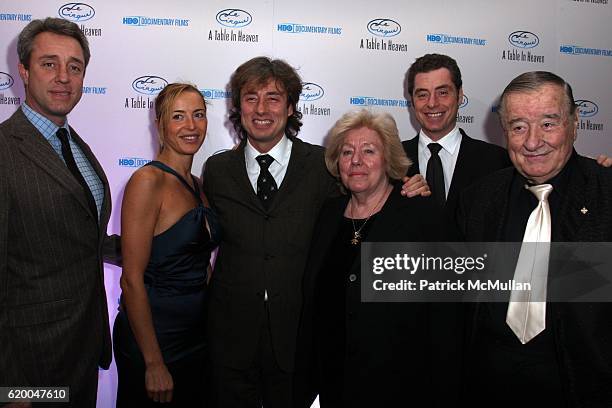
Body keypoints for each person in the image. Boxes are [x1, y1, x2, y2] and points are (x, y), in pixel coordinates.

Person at [202, 57, 428, 407]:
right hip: (230, 342)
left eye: (274, 98)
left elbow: (368, 188)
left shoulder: (324, 166)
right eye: (250, 97)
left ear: (291, 107)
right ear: (238, 107)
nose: (261, 108)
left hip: (299, 343)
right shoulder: (216, 170)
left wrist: (408, 185)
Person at [457, 71, 612, 406]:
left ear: (574, 124)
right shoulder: (478, 201)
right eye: (518, 126)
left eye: (548, 123)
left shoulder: (606, 195)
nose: (532, 141)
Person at [0, 17, 120, 407]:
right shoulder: (4, 149)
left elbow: (80, 237)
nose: (63, 77)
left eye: (75, 66)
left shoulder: (78, 146)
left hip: (81, 349)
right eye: (49, 64)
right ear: (23, 70)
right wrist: (10, 384)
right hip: (30, 364)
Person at [294, 109, 448, 407]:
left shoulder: (420, 217)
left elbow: (442, 321)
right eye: (347, 152)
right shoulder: (328, 216)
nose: (356, 161)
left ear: (388, 159)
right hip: (332, 384)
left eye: (368, 151)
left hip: (398, 387)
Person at [113, 83, 218, 406]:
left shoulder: (199, 185)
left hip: (195, 338)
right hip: (155, 340)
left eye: (198, 115)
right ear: (159, 124)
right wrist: (153, 362)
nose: (191, 126)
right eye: (179, 116)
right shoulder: (148, 182)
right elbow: (131, 280)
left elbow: (201, 263)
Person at [401, 53, 510, 217]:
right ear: (412, 100)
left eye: (442, 92)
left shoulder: (497, 161)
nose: (432, 103)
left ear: (459, 96)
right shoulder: (390, 159)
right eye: (422, 94)